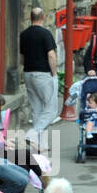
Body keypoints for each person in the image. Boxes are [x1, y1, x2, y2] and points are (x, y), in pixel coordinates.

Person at [19, 7, 59, 136]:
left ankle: (38, 144)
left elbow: (21, 57)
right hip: (43, 74)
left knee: (37, 109)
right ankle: (32, 134)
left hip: (28, 73)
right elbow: (51, 55)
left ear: (31, 18)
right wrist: (54, 73)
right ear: (43, 17)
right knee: (51, 109)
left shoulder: (23, 34)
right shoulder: (46, 33)